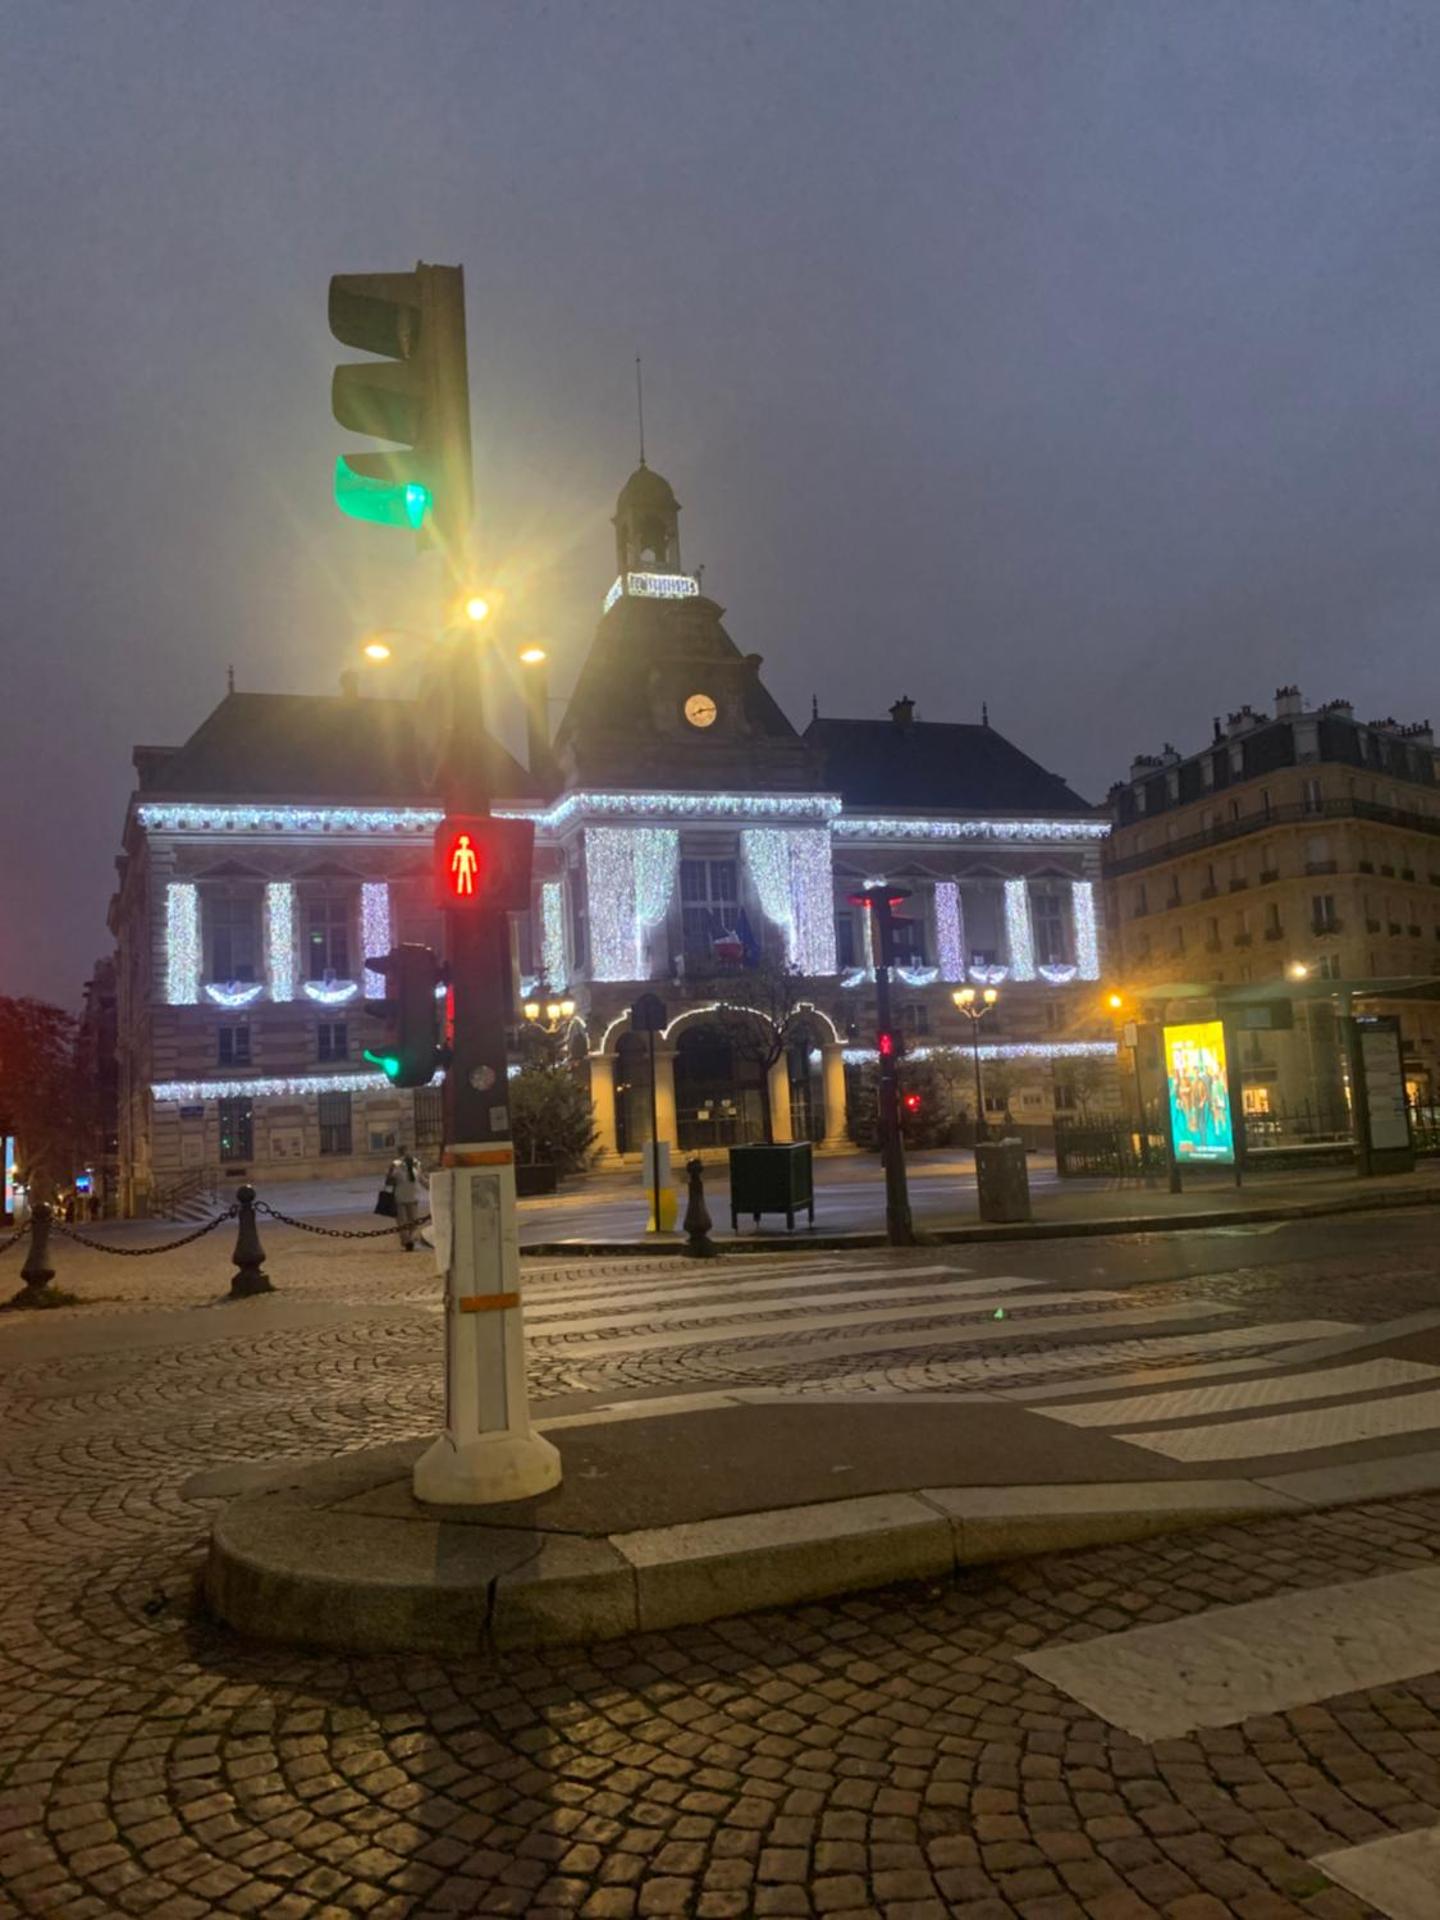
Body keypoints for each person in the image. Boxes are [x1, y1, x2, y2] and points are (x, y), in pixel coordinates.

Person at [386, 1147, 428, 1251]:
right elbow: (422, 1179)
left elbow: (389, 1181)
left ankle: (408, 1241)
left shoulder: (399, 1165)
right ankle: (409, 1241)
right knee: (410, 1221)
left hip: (405, 1197)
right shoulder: (411, 1165)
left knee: (405, 1222)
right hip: (406, 1197)